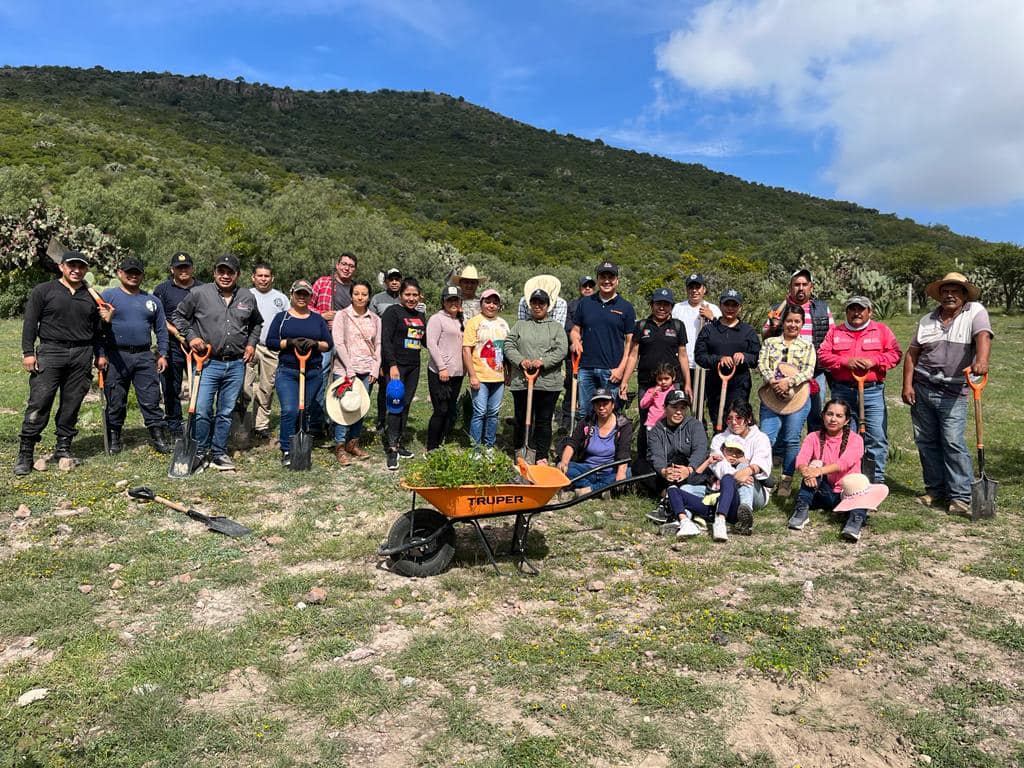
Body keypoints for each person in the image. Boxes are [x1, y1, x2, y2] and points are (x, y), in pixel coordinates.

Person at [902, 272, 993, 516]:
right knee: (926, 441)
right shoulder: (926, 320)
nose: (949, 294)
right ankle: (935, 491)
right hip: (923, 387)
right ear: (939, 294)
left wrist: (981, 360)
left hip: (954, 391)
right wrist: (907, 385)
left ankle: (960, 496)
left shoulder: (974, 311)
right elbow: (912, 354)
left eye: (955, 290)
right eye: (945, 291)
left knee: (952, 442)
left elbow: (983, 335)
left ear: (964, 295)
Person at [14, 250, 108, 475]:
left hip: (81, 353)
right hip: (51, 351)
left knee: (72, 403)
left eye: (81, 267)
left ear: (86, 270)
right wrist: (28, 353)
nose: (76, 270)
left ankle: (63, 448)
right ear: (62, 267)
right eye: (71, 266)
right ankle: (26, 453)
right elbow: (30, 323)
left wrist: (100, 353)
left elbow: (98, 331)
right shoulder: (43, 291)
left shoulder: (91, 295)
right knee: (40, 402)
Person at [172, 254, 263, 471]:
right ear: (214, 273)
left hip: (235, 364)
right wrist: (192, 337)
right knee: (202, 409)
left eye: (230, 272)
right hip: (207, 363)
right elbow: (178, 316)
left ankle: (219, 452)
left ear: (237, 275)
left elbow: (257, 324)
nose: (225, 276)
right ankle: (201, 451)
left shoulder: (247, 297)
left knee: (225, 411)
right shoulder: (199, 293)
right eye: (221, 271)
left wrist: (251, 344)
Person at [818, 296, 902, 483]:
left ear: (869, 311)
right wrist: (845, 361)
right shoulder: (835, 332)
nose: (856, 313)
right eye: (852, 309)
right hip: (842, 391)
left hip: (872, 392)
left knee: (876, 437)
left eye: (861, 309)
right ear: (847, 311)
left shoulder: (881, 330)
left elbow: (895, 354)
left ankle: (875, 480)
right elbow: (823, 355)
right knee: (844, 436)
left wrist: (875, 361)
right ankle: (844, 479)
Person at [665, 400, 772, 541]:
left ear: (749, 419)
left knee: (743, 467)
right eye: (729, 418)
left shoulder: (760, 438)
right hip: (723, 488)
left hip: (753, 491)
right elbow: (720, 466)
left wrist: (744, 471)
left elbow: (761, 463)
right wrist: (735, 476)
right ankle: (684, 520)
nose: (734, 422)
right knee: (685, 488)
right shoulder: (719, 439)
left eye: (739, 418)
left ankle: (745, 514)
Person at [99, 257, 172, 454]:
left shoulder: (152, 301)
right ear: (119, 273)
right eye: (128, 271)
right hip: (116, 357)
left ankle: (158, 438)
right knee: (116, 400)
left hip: (144, 356)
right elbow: (98, 328)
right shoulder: (108, 296)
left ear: (142, 276)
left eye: (137, 272)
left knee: (151, 399)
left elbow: (161, 330)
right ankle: (114, 438)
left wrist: (163, 354)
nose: (133, 275)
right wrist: (101, 354)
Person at [265, 280, 333, 467]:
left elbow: (328, 344)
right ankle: (287, 448)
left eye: (306, 294)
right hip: (288, 371)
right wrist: (289, 343)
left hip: (312, 372)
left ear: (311, 297)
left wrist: (315, 344)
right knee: (290, 410)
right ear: (292, 294)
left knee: (305, 410)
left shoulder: (317, 319)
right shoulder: (282, 318)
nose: (302, 297)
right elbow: (270, 341)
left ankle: (300, 442)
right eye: (298, 294)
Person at [624, 287, 692, 459]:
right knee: (647, 419)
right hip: (647, 383)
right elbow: (633, 355)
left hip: (671, 383)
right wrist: (625, 380)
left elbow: (683, 355)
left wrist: (688, 383)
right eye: (658, 304)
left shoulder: (677, 326)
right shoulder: (641, 325)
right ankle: (644, 459)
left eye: (666, 304)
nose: (662, 308)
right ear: (651, 305)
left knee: (672, 419)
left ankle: (671, 457)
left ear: (671, 307)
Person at [763, 269, 834, 432]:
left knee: (816, 414)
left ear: (811, 287)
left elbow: (831, 336)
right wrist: (773, 327)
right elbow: (766, 339)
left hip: (815, 372)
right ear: (790, 287)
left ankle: (813, 451)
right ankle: (781, 454)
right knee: (783, 410)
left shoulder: (823, 308)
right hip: (784, 373)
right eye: (796, 285)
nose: (800, 288)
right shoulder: (778, 309)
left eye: (804, 284)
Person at [756, 304, 816, 497]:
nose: (792, 325)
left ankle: (786, 480)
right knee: (766, 437)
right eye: (789, 320)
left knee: (791, 439)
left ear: (802, 324)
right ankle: (762, 478)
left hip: (797, 397)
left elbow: (808, 370)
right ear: (783, 322)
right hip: (771, 396)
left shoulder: (807, 346)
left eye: (797, 321)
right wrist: (772, 381)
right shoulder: (770, 342)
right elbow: (762, 363)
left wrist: (790, 381)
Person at [788, 399, 870, 541]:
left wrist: (818, 471)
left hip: (847, 494)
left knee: (859, 483)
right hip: (823, 491)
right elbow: (801, 459)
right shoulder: (812, 437)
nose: (833, 419)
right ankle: (801, 511)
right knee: (814, 464)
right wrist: (807, 471)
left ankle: (854, 522)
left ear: (846, 420)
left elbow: (844, 463)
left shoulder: (856, 439)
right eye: (830, 414)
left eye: (839, 416)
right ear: (823, 415)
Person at [505, 288, 569, 463]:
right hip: (522, 382)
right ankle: (520, 451)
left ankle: (540, 454)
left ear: (548, 306)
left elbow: (562, 349)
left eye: (541, 303)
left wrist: (543, 362)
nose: (537, 306)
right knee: (521, 418)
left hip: (548, 383)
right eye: (534, 302)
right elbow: (509, 345)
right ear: (530, 305)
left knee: (543, 420)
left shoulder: (556, 327)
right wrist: (521, 361)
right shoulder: (520, 325)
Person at [569, 261, 636, 419]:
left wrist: (621, 369)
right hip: (586, 368)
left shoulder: (626, 307)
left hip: (612, 371)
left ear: (617, 280)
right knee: (585, 412)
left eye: (610, 277)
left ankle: (609, 444)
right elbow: (575, 329)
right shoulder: (586, 303)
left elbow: (630, 344)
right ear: (598, 279)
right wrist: (575, 340)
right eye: (603, 277)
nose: (607, 281)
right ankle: (586, 443)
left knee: (610, 414)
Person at [693, 289, 761, 427]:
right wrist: (718, 359)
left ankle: (737, 447)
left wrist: (745, 356)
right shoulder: (709, 330)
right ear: (720, 306)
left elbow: (756, 358)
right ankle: (719, 445)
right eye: (726, 304)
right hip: (715, 384)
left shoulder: (748, 331)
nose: (730, 308)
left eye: (734, 305)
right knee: (718, 420)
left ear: (740, 307)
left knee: (737, 420)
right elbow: (700, 356)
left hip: (739, 385)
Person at [638, 389, 708, 522]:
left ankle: (667, 503)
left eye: (682, 408)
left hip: (689, 470)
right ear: (665, 408)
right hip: (667, 471)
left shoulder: (695, 425)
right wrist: (664, 471)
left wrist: (689, 469)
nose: (679, 412)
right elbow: (656, 455)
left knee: (681, 459)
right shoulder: (656, 430)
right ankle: (668, 496)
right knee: (640, 465)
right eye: (674, 407)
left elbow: (701, 450)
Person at [153, 251, 202, 438]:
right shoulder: (162, 290)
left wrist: (194, 338)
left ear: (192, 268)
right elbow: (159, 317)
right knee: (171, 386)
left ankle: (198, 421)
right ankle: (174, 423)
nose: (183, 270)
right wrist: (178, 334)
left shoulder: (204, 288)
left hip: (198, 346)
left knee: (199, 385)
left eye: (186, 267)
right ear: (172, 269)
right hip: (173, 345)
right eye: (179, 267)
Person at [331, 279, 380, 464]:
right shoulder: (342, 316)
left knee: (360, 406)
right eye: (356, 293)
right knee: (343, 407)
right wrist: (349, 368)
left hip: (367, 369)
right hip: (345, 370)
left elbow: (379, 344)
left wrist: (375, 368)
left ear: (369, 297)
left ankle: (353, 442)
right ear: (351, 295)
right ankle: (340, 445)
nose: (360, 297)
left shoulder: (375, 319)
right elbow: (339, 342)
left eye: (364, 294)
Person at [381, 278, 426, 470]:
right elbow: (386, 340)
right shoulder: (392, 312)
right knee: (395, 404)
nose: (411, 298)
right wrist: (391, 365)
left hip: (414, 366)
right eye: (407, 294)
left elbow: (424, 341)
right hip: (396, 366)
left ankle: (399, 444)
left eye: (415, 295)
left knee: (406, 404)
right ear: (400, 295)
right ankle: (391, 449)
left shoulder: (420, 315)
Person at [310, 252, 358, 433]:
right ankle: (317, 422)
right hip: (323, 337)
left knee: (344, 378)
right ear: (337, 265)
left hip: (346, 340)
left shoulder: (355, 288)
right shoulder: (323, 282)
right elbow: (307, 305)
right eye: (344, 264)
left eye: (351, 266)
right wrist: (322, 315)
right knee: (319, 377)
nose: (347, 268)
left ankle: (340, 420)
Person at [239, 262, 288, 440]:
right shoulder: (245, 295)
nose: (263, 279)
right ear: (253, 277)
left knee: (266, 389)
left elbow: (286, 321)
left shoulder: (281, 299)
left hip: (271, 349)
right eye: (259, 275)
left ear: (272, 278)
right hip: (249, 346)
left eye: (266, 276)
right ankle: (241, 422)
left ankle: (260, 425)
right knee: (244, 386)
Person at [557, 388, 633, 496]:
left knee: (629, 472)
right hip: (588, 469)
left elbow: (624, 452)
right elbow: (572, 443)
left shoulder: (623, 425)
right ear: (593, 406)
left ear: (613, 404)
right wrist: (564, 462)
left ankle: (588, 490)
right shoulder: (587, 422)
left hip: (610, 470)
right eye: (598, 404)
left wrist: (621, 473)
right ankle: (601, 490)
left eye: (605, 403)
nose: (601, 408)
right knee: (566, 468)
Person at [463, 288, 510, 450]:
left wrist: (507, 373)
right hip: (480, 376)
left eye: (495, 302)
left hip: (498, 377)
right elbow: (466, 350)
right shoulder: (474, 322)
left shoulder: (503, 323)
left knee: (493, 414)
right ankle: (475, 447)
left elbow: (507, 350)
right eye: (488, 302)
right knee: (479, 412)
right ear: (481, 303)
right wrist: (472, 375)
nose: (491, 305)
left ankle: (489, 446)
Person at [671, 273, 721, 421]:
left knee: (702, 403)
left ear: (704, 289)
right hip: (682, 364)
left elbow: (722, 333)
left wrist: (712, 318)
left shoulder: (713, 308)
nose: (694, 291)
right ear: (686, 290)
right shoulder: (678, 308)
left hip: (704, 366)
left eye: (697, 287)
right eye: (691, 287)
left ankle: (701, 431)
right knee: (683, 402)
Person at [425, 286, 465, 451]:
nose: (453, 303)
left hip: (457, 373)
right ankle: (432, 446)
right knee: (440, 410)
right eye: (450, 300)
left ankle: (441, 440)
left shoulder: (462, 320)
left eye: (456, 300)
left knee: (449, 408)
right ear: (443, 301)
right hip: (440, 372)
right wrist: (442, 367)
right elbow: (431, 344)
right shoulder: (436, 319)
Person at [558, 275, 595, 430]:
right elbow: (568, 325)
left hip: (592, 353)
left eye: (590, 286)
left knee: (590, 384)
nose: (587, 288)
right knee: (571, 384)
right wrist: (576, 341)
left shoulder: (598, 305)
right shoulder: (572, 305)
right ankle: (567, 419)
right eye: (584, 286)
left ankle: (590, 417)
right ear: (580, 288)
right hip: (573, 353)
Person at [370, 267, 402, 430]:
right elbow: (371, 323)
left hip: (401, 348)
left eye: (397, 279)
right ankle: (382, 420)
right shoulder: (377, 299)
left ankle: (396, 419)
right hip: (382, 347)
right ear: (386, 281)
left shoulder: (405, 298)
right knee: (384, 385)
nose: (394, 282)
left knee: (398, 386)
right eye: (391, 279)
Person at [639, 362, 677, 429]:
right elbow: (643, 405)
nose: (663, 382)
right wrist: (652, 395)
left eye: (666, 379)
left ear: (673, 378)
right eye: (660, 379)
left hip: (669, 424)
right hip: (652, 424)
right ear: (656, 379)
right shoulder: (652, 391)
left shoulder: (674, 392)